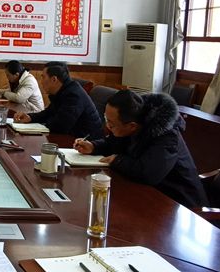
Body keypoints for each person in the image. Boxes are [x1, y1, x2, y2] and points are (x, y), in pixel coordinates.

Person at [73, 89, 208, 208]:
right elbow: (113, 142)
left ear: (132, 126)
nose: (107, 126)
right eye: (106, 119)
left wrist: (117, 160)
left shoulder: (166, 136)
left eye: (111, 124)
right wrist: (93, 146)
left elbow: (149, 174)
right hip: (151, 196)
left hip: (181, 205)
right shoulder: (134, 116)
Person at [13, 61, 103, 138]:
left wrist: (45, 123)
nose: (41, 81)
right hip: (71, 138)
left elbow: (60, 126)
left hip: (85, 143)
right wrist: (30, 117)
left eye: (43, 77)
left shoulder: (73, 95)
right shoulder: (63, 90)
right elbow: (48, 113)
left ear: (54, 79)